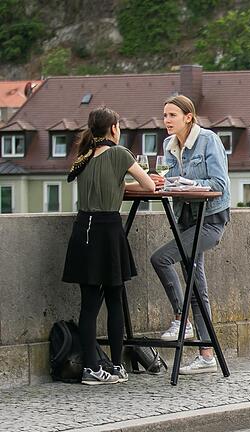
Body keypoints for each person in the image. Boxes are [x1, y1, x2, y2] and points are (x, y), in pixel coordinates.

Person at [62, 107, 157, 384]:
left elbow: (104, 183)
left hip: (83, 228)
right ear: (114, 128)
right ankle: (116, 365)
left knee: (89, 304)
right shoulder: (120, 154)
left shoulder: (84, 156)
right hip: (108, 230)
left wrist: (118, 184)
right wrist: (124, 184)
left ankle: (92, 367)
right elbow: (150, 186)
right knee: (114, 298)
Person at [150, 95, 231, 374]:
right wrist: (164, 181)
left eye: (172, 115)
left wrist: (188, 182)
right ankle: (207, 356)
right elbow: (171, 180)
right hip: (184, 219)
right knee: (196, 287)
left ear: (188, 117)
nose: (167, 121)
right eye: (164, 116)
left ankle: (181, 320)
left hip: (210, 220)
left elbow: (219, 183)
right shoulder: (168, 146)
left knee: (161, 258)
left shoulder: (208, 140)